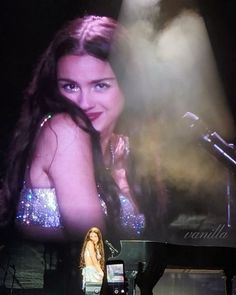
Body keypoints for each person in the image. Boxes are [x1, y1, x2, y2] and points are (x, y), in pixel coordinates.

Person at [2, 15, 147, 241]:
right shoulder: (65, 130)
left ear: (128, 85)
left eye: (100, 85)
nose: (83, 102)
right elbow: (91, 247)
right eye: (70, 86)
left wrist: (120, 176)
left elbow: (132, 243)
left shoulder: (115, 149)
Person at [79, 227, 105, 291]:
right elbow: (93, 259)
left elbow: (98, 262)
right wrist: (100, 272)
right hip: (91, 272)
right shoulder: (89, 243)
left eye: (95, 236)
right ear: (89, 237)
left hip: (95, 271)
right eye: (91, 236)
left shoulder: (96, 247)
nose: (93, 238)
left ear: (99, 237)